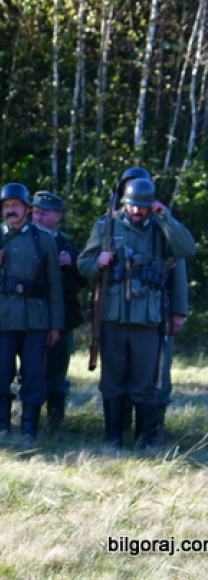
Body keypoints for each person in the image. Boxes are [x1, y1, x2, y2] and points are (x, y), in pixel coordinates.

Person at [77, 177, 195, 447]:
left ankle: (145, 438)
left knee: (146, 381)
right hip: (113, 314)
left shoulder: (160, 228)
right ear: (125, 202)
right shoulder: (106, 225)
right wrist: (98, 262)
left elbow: (187, 249)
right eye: (133, 206)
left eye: (143, 207)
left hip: (149, 317)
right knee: (113, 379)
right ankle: (113, 436)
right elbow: (83, 264)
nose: (138, 212)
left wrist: (165, 218)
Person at [0, 183, 63, 442]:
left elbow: (54, 285)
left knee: (33, 376)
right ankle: (1, 428)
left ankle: (28, 430)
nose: (11, 210)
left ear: (27, 209)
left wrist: (55, 325)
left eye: (16, 205)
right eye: (7, 206)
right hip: (1, 316)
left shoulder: (42, 239)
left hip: (35, 317)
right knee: (1, 374)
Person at [30, 191, 86, 429]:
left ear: (58, 217)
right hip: (30, 315)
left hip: (62, 317)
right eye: (36, 212)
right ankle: (28, 419)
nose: (39, 217)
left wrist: (72, 266)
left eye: (45, 213)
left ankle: (55, 421)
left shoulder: (66, 244)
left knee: (57, 373)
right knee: (30, 370)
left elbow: (83, 280)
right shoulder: (25, 238)